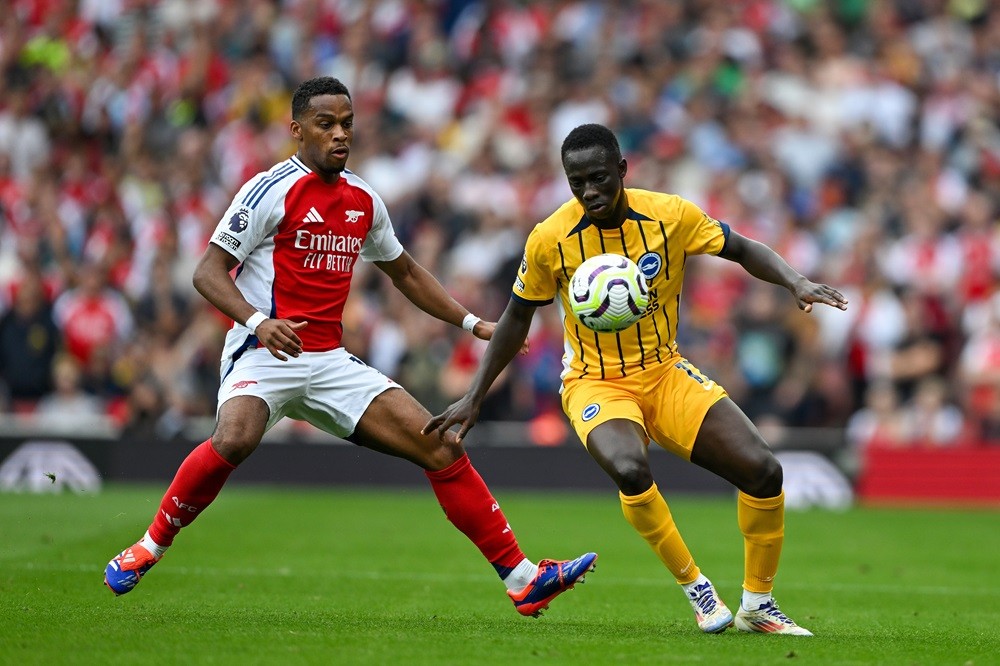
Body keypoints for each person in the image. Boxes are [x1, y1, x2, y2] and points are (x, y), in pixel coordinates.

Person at [103, 77, 597, 618]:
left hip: (329, 361)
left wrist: (473, 321)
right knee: (236, 437)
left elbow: (404, 271)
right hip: (265, 353)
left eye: (347, 123)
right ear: (296, 130)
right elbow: (207, 272)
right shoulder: (269, 189)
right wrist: (258, 321)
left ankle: (523, 579)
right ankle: (149, 546)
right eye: (326, 124)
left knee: (441, 444)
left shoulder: (363, 199)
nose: (340, 134)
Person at [424, 124, 849, 635]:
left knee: (764, 471)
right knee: (629, 467)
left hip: (665, 372)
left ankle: (758, 604)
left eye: (599, 178)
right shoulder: (549, 237)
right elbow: (518, 315)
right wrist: (475, 395)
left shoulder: (670, 215)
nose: (589, 192)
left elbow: (739, 248)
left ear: (623, 170)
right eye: (576, 182)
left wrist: (794, 280)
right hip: (594, 382)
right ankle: (697, 589)